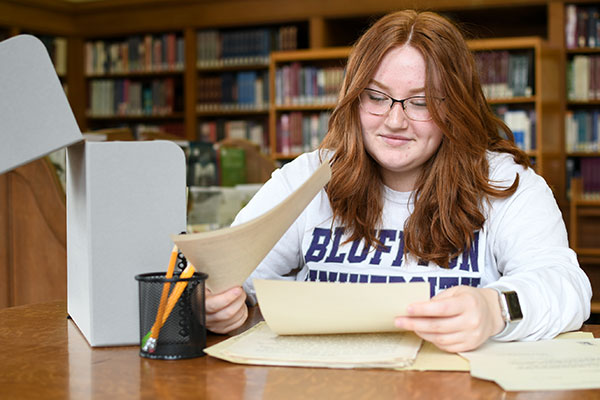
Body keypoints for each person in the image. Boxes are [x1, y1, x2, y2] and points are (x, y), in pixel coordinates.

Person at [204, 10, 592, 352]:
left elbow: (566, 286)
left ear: (455, 105)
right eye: (376, 97)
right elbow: (228, 277)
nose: (394, 121)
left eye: (421, 102)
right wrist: (214, 303)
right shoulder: (307, 178)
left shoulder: (506, 183)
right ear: (354, 99)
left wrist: (496, 309)